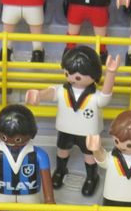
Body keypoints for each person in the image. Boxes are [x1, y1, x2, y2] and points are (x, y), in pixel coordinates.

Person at [26, 47, 117, 196]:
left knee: (90, 155)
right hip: (65, 129)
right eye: (67, 73)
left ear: (93, 75)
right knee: (62, 150)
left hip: (88, 132)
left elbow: (105, 97)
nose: (72, 78)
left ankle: (91, 177)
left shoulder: (95, 96)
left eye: (78, 76)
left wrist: (111, 74)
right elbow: (51, 92)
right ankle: (61, 170)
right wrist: (39, 95)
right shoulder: (62, 90)